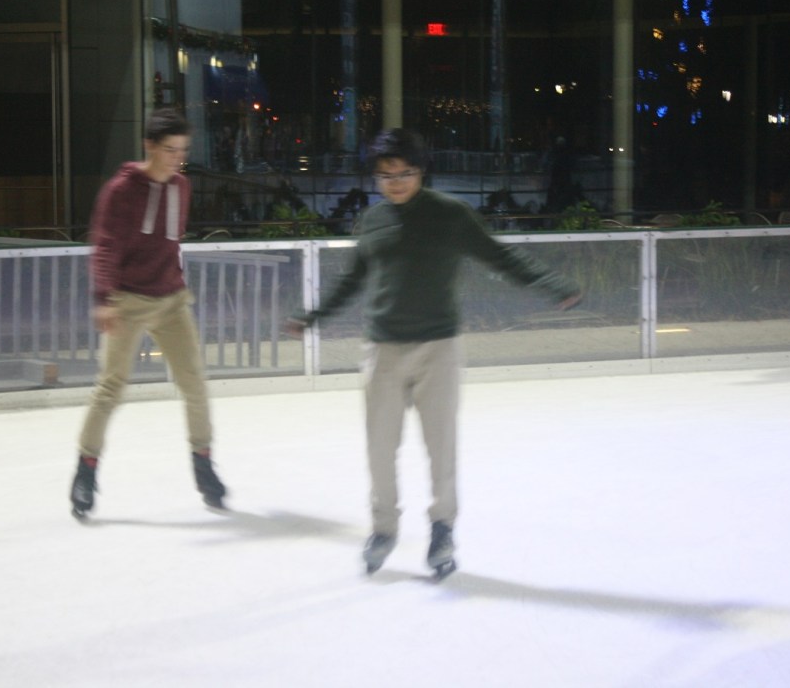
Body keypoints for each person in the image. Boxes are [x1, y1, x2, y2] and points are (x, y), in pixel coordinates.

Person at [287, 128, 581, 577]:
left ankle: (442, 528)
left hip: (438, 348)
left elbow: (500, 258)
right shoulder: (373, 220)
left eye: (405, 173)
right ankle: (383, 529)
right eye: (386, 175)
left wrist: (551, 285)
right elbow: (352, 281)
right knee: (379, 449)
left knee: (440, 448)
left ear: (421, 171)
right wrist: (313, 316)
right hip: (382, 350)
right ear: (376, 178)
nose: (396, 182)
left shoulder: (451, 215)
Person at [69, 108, 227, 520]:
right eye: (170, 150)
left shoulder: (182, 187)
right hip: (127, 299)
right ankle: (86, 470)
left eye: (183, 150)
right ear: (149, 146)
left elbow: (170, 243)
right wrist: (104, 298)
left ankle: (203, 463)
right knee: (110, 387)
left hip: (171, 298)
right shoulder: (120, 191)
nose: (177, 158)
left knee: (194, 381)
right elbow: (105, 247)